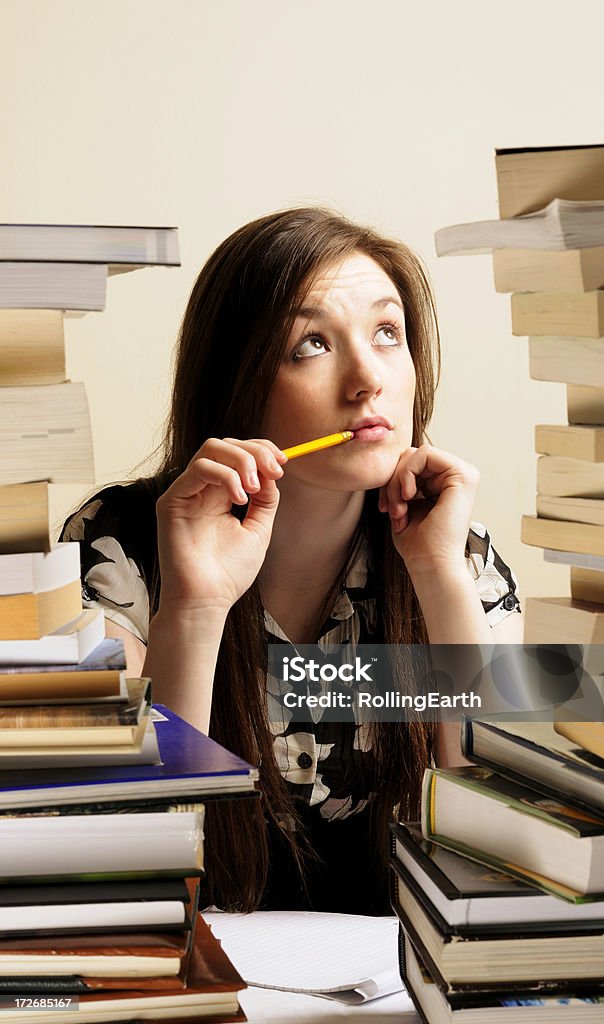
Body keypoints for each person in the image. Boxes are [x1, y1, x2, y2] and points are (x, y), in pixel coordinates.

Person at [61, 207, 522, 915]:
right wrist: (195, 603)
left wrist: (439, 580)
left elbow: (507, 853)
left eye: (387, 333)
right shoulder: (116, 544)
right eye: (311, 344)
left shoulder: (461, 557)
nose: (369, 379)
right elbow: (114, 851)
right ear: (237, 386)